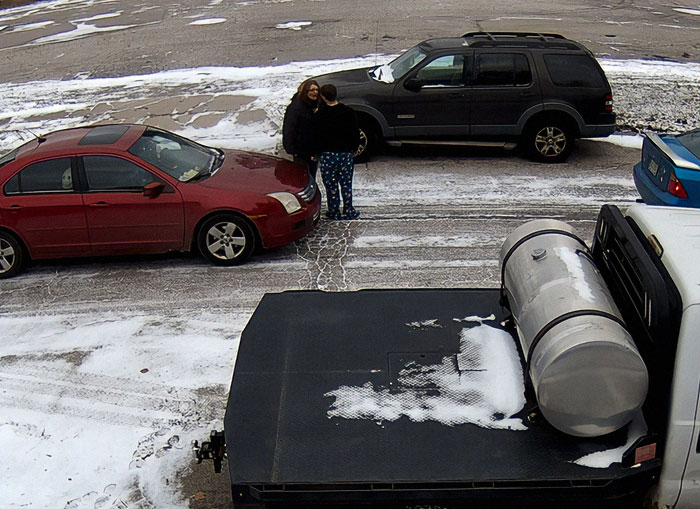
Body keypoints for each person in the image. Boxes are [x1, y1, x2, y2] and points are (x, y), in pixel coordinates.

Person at [313, 83, 360, 220]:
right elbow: (354, 132)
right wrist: (354, 148)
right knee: (346, 184)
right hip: (345, 154)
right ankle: (349, 209)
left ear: (322, 96)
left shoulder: (320, 115)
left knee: (331, 185)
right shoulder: (348, 112)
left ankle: (334, 211)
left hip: (328, 155)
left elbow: (316, 136)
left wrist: (316, 153)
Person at [282, 79, 319, 178]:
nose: (315, 92)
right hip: (301, 151)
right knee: (302, 177)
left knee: (311, 176)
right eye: (311, 90)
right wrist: (292, 149)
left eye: (316, 89)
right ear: (305, 92)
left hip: (313, 151)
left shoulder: (316, 106)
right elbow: (289, 129)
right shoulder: (295, 108)